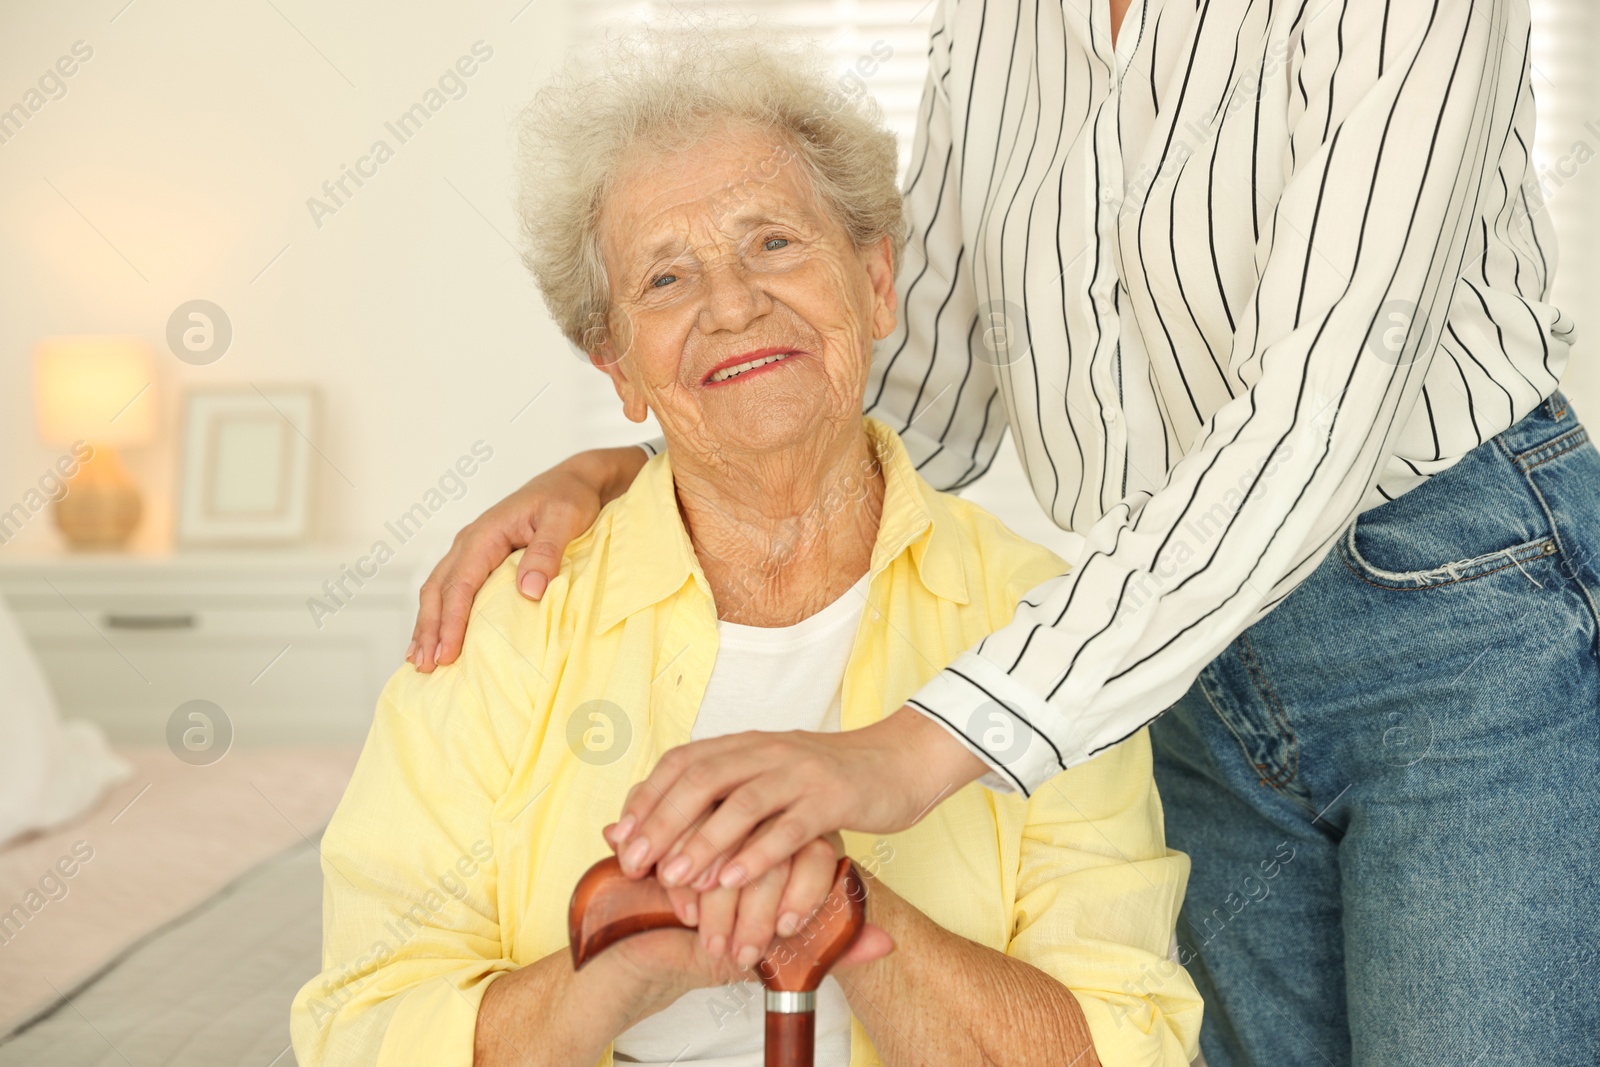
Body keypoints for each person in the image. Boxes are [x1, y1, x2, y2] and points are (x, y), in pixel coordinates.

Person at [410, 1, 1600, 1063]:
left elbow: (1322, 406)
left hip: (1450, 604)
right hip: (1168, 655)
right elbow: (919, 372)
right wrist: (654, 468)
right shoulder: (993, 19)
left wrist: (914, 747)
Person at [291, 32, 1202, 1067]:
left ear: (874, 283)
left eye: (773, 242)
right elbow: (360, 1029)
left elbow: (1126, 1044)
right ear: (619, 366)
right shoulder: (508, 618)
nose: (732, 303)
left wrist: (840, 908)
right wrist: (630, 954)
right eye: (667, 278)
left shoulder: (1040, 626)